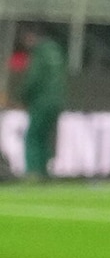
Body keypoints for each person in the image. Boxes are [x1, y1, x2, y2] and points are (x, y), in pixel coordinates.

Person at [16, 28, 65, 182]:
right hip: (57, 100)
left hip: (41, 100)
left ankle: (33, 172)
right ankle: (44, 171)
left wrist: (24, 97)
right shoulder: (56, 51)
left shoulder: (39, 53)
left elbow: (34, 78)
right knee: (44, 136)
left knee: (33, 136)